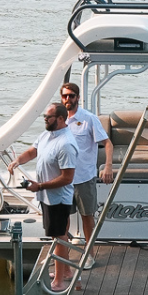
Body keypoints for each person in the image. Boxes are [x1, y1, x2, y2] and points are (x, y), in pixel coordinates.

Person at [6, 103, 77, 293]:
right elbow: (33, 151)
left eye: (49, 117)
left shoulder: (66, 144)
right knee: (57, 235)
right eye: (44, 116)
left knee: (59, 237)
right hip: (46, 196)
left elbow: (67, 177)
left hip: (58, 198)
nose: (45, 119)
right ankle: (67, 271)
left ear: (61, 119)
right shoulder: (47, 135)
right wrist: (18, 160)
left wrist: (40, 186)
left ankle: (59, 282)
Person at [57, 82, 114, 236]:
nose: (68, 99)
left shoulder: (89, 119)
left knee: (87, 217)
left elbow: (107, 143)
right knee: (63, 218)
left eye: (71, 96)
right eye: (65, 96)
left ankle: (89, 253)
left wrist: (108, 166)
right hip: (63, 179)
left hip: (84, 178)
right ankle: (63, 253)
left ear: (78, 98)